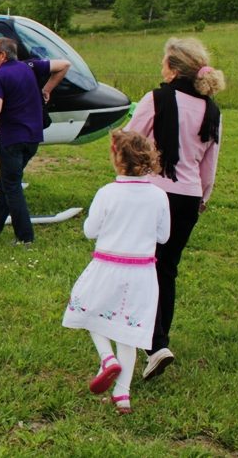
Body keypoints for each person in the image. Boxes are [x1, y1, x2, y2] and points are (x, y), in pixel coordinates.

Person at [124, 37, 224, 380]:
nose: (160, 68)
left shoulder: (157, 99)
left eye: (164, 62)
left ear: (174, 69)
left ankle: (153, 343)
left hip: (153, 193)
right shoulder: (212, 109)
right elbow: (209, 164)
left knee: (141, 264)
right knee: (167, 268)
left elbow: (131, 141)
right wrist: (203, 198)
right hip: (189, 197)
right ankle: (157, 338)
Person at [62, 130, 170, 414]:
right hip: (142, 272)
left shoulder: (107, 193)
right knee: (129, 332)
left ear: (117, 159)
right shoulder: (159, 196)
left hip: (108, 265)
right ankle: (123, 395)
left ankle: (106, 358)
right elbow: (164, 236)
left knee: (88, 311)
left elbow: (89, 231)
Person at [0, 37, 70, 245]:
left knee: (12, 185)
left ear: (2, 55)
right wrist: (47, 89)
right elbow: (64, 65)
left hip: (12, 138)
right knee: (6, 181)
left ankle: (25, 237)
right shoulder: (29, 66)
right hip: (33, 138)